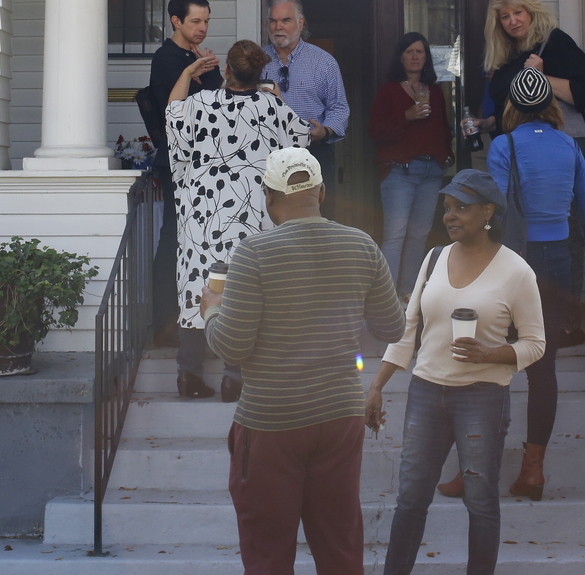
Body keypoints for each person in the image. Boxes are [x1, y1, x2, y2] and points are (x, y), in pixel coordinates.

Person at [201, 149, 405, 575]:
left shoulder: (254, 252)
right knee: (340, 546)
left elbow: (232, 347)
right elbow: (392, 328)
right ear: (321, 192)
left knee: (268, 553)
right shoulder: (361, 244)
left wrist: (211, 311)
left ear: (268, 196)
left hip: (272, 420)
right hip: (340, 415)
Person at [365, 169, 546, 575]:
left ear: (488, 212)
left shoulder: (516, 271)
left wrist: (491, 354)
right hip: (426, 393)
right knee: (410, 499)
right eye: (447, 207)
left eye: (461, 208)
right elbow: (407, 329)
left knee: (480, 503)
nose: (450, 215)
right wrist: (377, 386)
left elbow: (535, 345)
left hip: (482, 397)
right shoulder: (433, 259)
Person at [484, 67, 585, 501]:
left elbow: (493, 212)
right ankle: (533, 471)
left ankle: (477, 469)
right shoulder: (568, 146)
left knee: (491, 364)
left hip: (512, 262)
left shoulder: (503, 145)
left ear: (512, 107)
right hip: (554, 265)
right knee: (542, 368)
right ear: (551, 105)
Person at [165, 40, 309, 402]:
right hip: (251, 214)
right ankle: (234, 378)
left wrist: (186, 73)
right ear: (259, 74)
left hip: (203, 213)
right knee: (247, 291)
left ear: (226, 70)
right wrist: (277, 98)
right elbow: (302, 137)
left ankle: (189, 375)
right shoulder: (271, 106)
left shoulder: (200, 104)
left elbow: (172, 115)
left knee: (200, 286)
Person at [475, 0, 585, 348]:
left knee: (566, 240)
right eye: (505, 16)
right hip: (517, 161)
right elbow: (512, 109)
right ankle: (525, 322)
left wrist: (541, 74)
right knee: (518, 239)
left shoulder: (555, 43)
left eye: (518, 13)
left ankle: (567, 325)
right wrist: (485, 124)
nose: (513, 21)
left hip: (555, 159)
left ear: (531, 12)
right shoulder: (504, 58)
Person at [147, 0, 223, 348]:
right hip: (177, 162)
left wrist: (207, 70)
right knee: (173, 239)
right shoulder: (166, 57)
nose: (203, 28)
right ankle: (163, 322)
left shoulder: (198, 58)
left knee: (199, 241)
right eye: (195, 21)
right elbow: (173, 112)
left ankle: (195, 319)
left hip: (204, 162)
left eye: (206, 21)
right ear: (176, 21)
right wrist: (192, 71)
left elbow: (217, 104)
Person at [368, 32, 452, 292]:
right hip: (399, 171)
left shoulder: (435, 92)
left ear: (426, 58)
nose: (415, 56)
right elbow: (375, 132)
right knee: (395, 235)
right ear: (401, 57)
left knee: (419, 236)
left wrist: (445, 156)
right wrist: (406, 115)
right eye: (410, 52)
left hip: (431, 172)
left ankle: (409, 296)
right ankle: (387, 300)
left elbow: (443, 129)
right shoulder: (389, 91)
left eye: (420, 52)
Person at [262, 0, 349, 217]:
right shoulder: (257, 60)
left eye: (285, 20)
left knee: (317, 218)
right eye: (273, 20)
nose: (277, 26)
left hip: (314, 152)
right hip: (268, 154)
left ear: (301, 23)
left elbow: (339, 108)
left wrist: (326, 131)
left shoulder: (323, 62)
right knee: (271, 219)